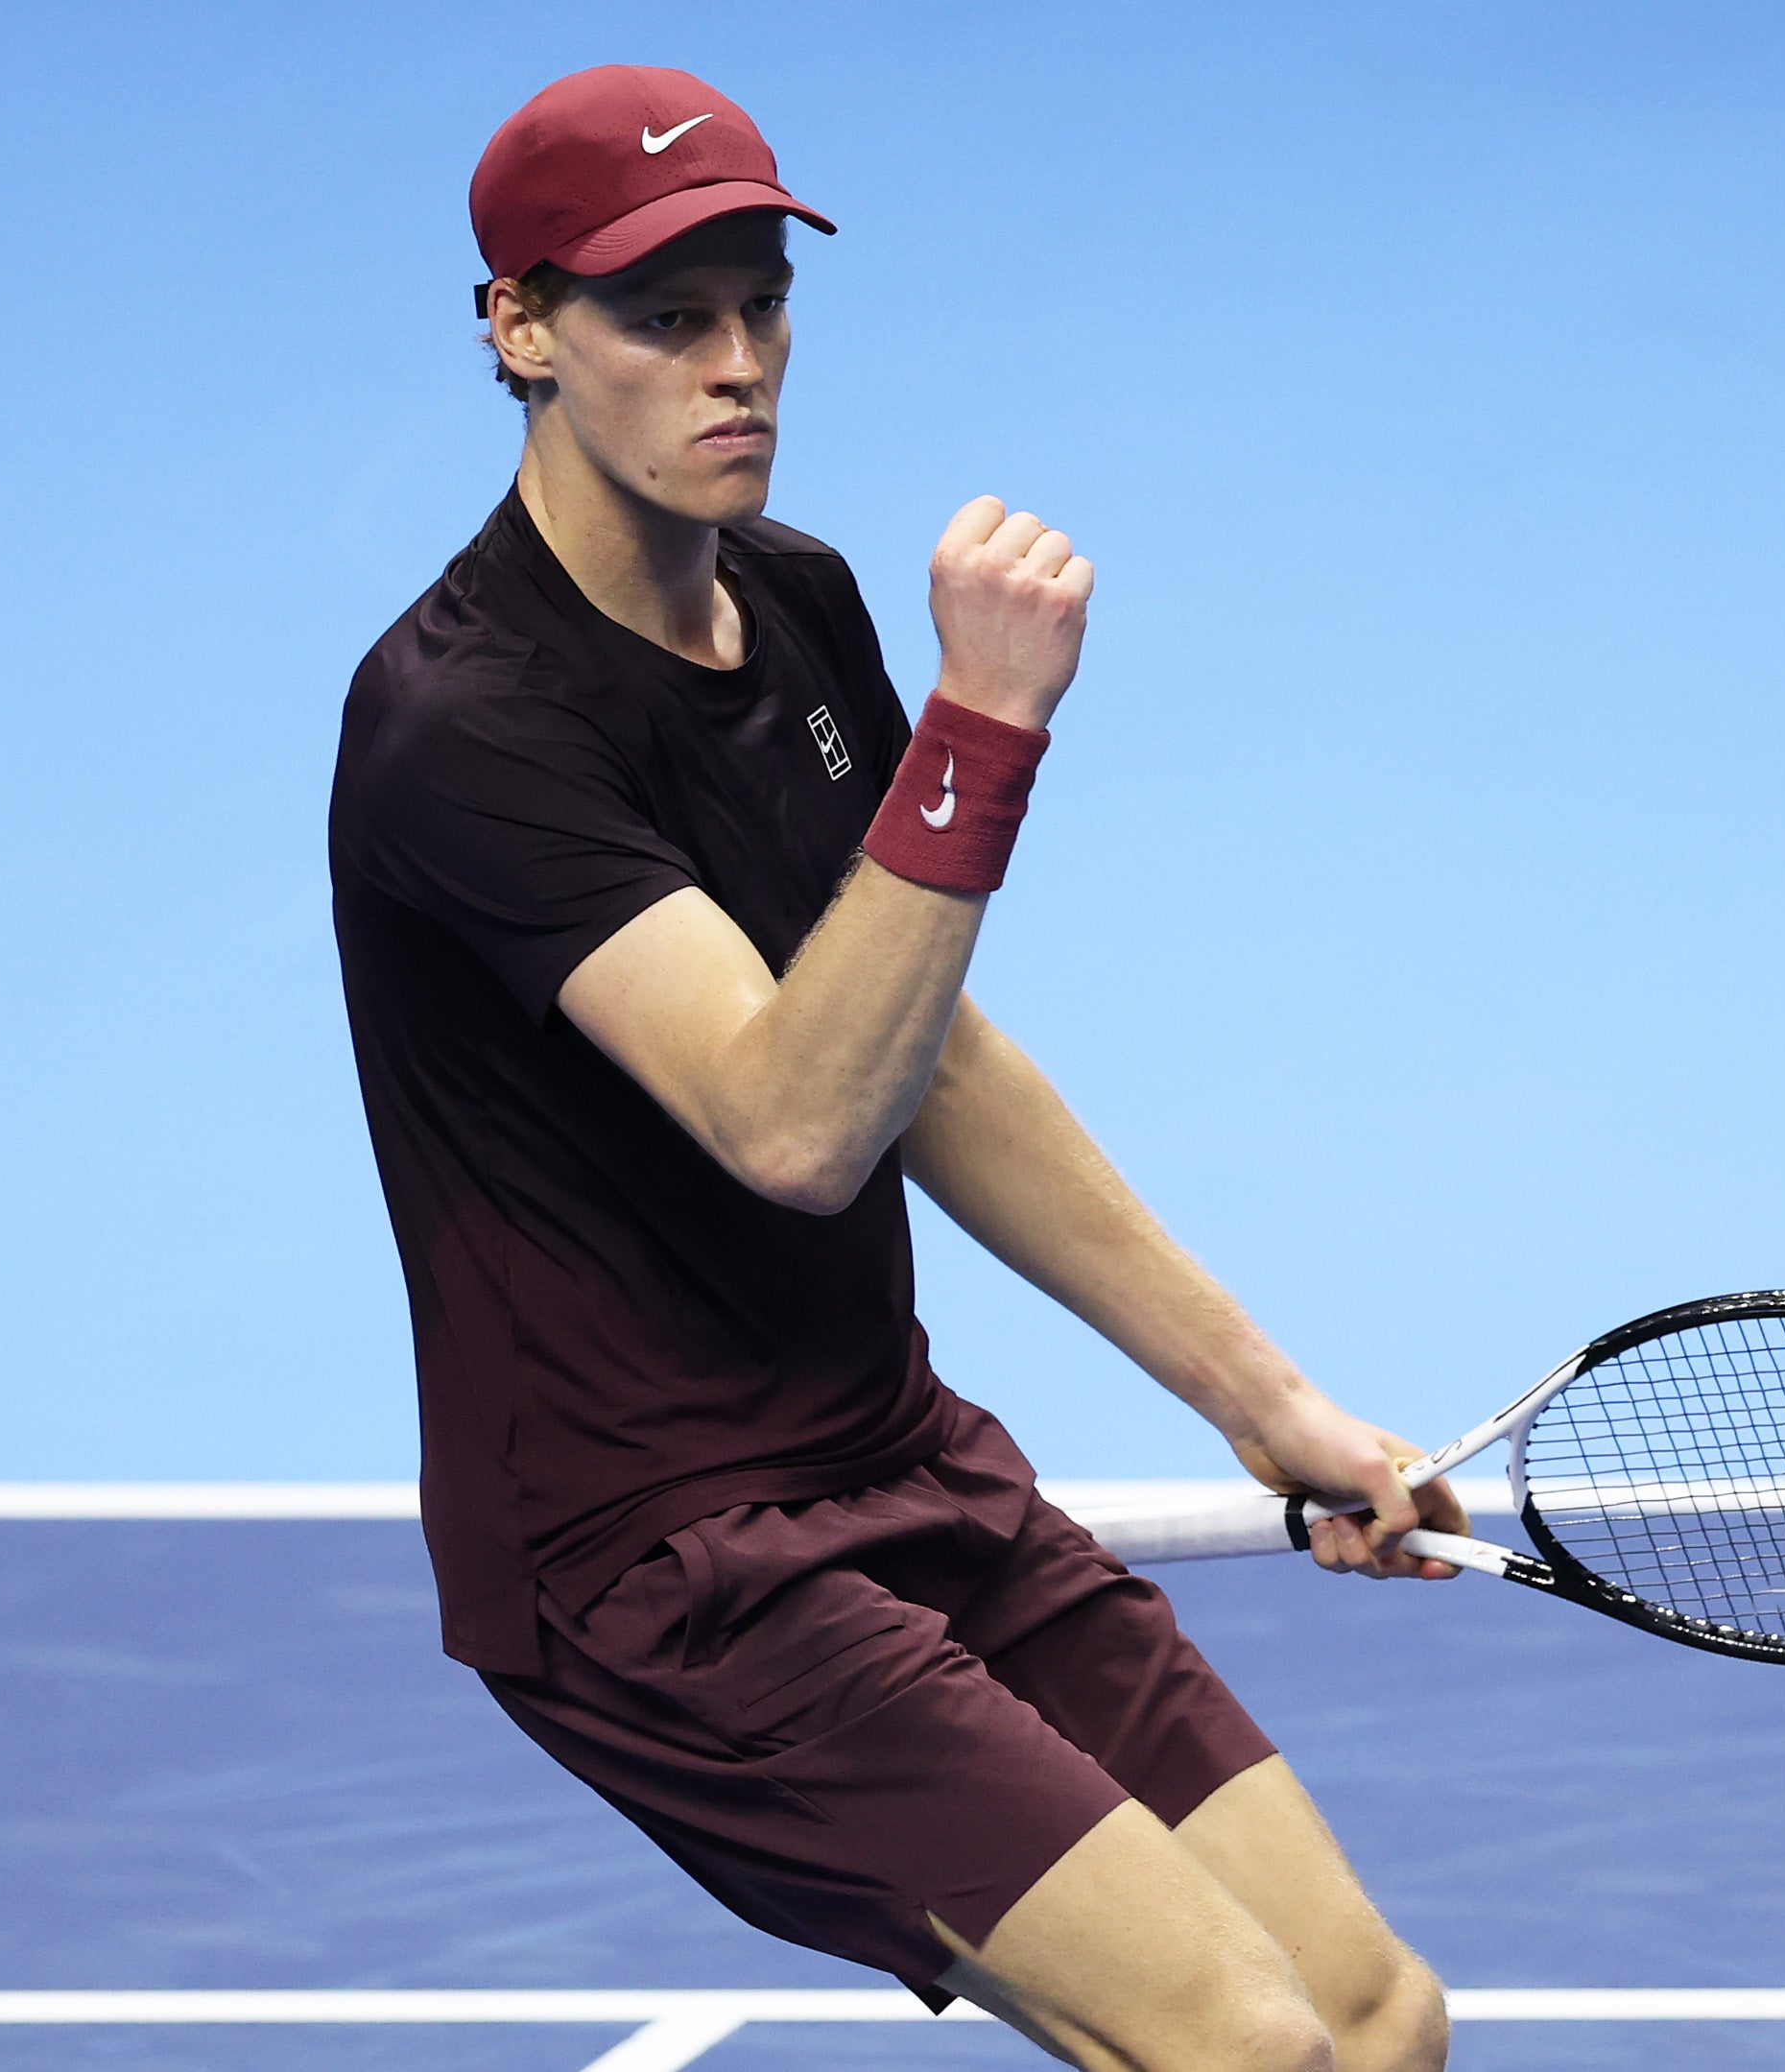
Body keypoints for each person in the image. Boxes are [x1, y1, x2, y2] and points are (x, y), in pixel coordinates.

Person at [327, 64, 1461, 2072]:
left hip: (894, 1462)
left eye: (760, 303)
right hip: (652, 1564)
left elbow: (920, 1059)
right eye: (663, 317)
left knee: (1370, 2020)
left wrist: (1269, 1403)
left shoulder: (796, 605)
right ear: (519, 329)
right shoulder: (463, 726)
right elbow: (790, 1119)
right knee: (1242, 2051)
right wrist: (979, 738)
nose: (737, 363)